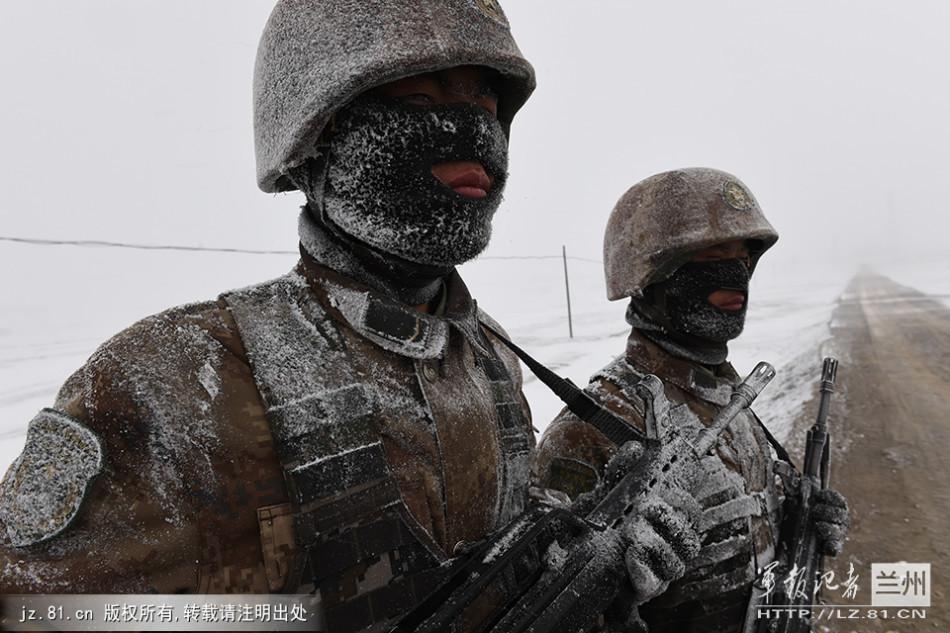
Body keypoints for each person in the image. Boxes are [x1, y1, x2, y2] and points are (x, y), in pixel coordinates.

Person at [0, 1, 538, 630]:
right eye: (419, 102)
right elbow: (28, 611)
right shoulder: (171, 378)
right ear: (316, 136)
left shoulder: (489, 352)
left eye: (486, 106)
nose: (473, 133)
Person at [534, 168, 850, 633]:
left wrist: (796, 522)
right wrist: (617, 583)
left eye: (743, 255)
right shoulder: (595, 426)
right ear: (652, 272)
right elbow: (550, 611)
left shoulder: (730, 400)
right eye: (714, 252)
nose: (737, 271)